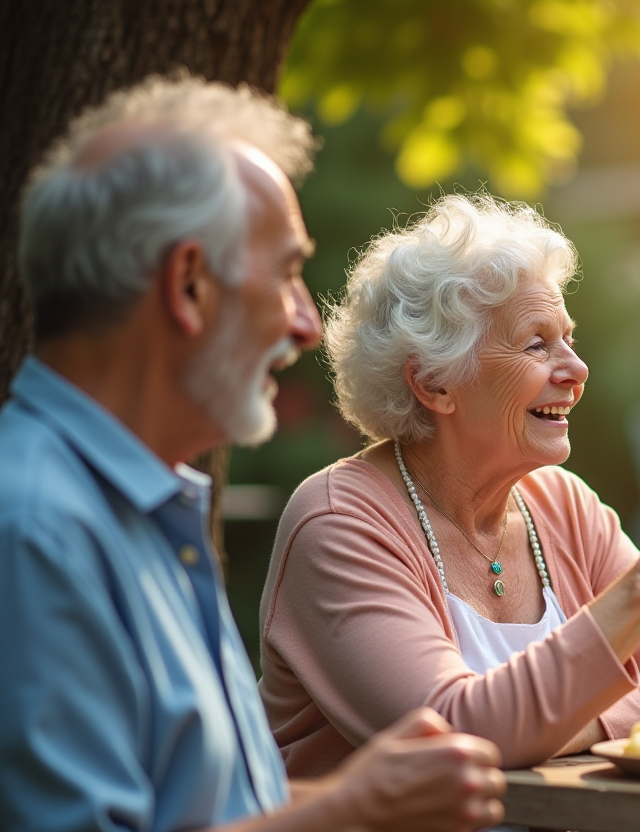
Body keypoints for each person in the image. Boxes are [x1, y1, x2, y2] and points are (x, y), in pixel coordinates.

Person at [0, 75, 504, 832]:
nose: (307, 323)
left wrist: (361, 797)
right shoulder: (36, 531)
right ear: (189, 285)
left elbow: (206, 812)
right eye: (287, 273)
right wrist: (356, 809)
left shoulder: (140, 512)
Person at [257, 194, 640, 775]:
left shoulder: (563, 505)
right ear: (434, 383)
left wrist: (567, 730)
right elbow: (463, 736)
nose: (576, 369)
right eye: (536, 343)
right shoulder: (340, 523)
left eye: (569, 338)